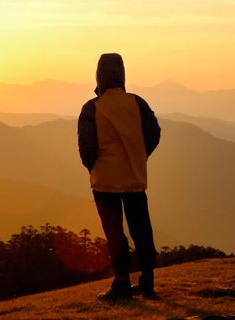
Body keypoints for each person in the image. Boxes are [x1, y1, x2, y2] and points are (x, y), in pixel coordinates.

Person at [77, 53, 161, 300]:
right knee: (142, 230)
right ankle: (148, 283)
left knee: (115, 234)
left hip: (105, 182)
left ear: (99, 75)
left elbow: (87, 147)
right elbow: (154, 134)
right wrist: (139, 155)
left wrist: (94, 166)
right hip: (134, 178)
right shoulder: (137, 103)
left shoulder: (92, 108)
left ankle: (122, 284)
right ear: (122, 74)